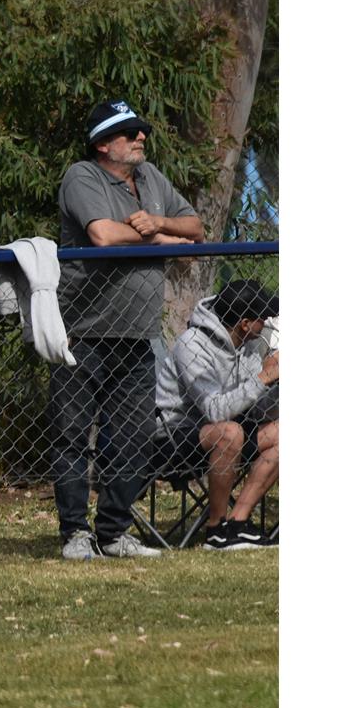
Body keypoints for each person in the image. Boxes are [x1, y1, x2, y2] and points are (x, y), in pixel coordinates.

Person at [50, 98, 203, 561]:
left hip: (138, 336)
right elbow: (103, 235)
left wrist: (158, 222)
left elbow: (196, 227)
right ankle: (76, 534)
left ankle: (113, 533)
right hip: (83, 331)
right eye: (129, 132)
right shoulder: (83, 176)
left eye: (141, 131)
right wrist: (159, 239)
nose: (141, 138)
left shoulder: (151, 178)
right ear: (102, 144)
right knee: (73, 435)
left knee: (132, 438)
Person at [155, 279, 278, 550]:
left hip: (224, 434)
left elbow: (253, 407)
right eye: (263, 319)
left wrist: (277, 385)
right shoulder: (193, 345)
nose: (267, 324)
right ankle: (216, 530)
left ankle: (237, 523)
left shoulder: (247, 346)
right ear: (245, 323)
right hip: (174, 437)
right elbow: (215, 410)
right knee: (229, 432)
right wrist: (263, 378)